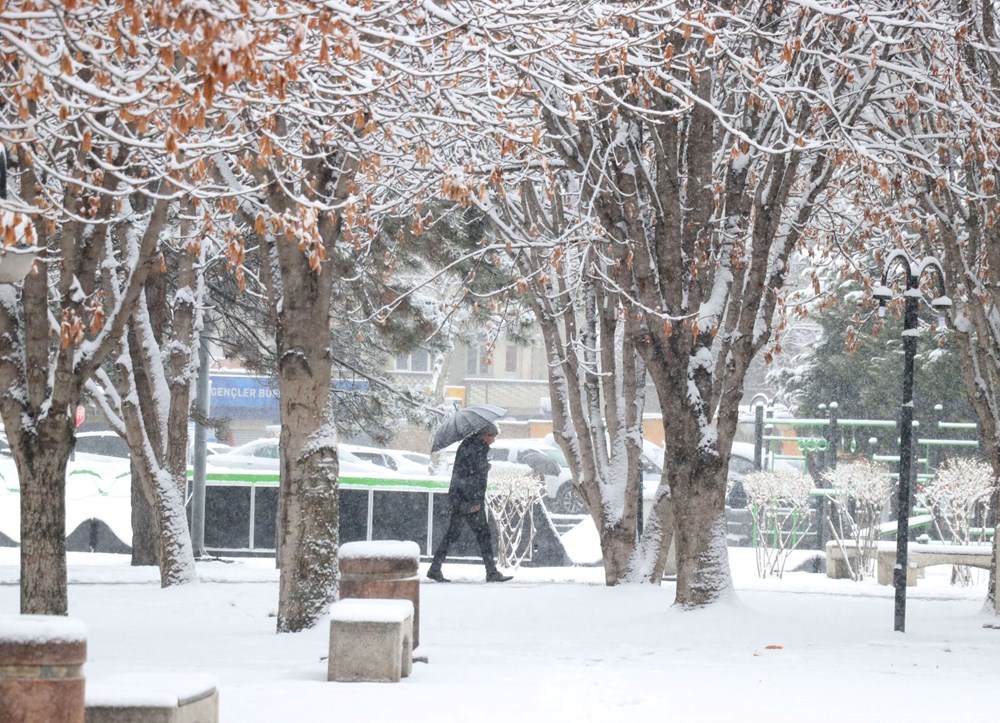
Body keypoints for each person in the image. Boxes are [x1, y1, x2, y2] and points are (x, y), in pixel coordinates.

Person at [427, 423, 513, 583]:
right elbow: (470, 477)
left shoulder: (470, 446)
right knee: (483, 535)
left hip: (460, 497)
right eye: (492, 436)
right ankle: (491, 572)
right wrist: (473, 502)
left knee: (453, 534)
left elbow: (466, 472)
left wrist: (483, 467)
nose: (493, 440)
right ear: (485, 434)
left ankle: (435, 568)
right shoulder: (476, 449)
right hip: (469, 500)